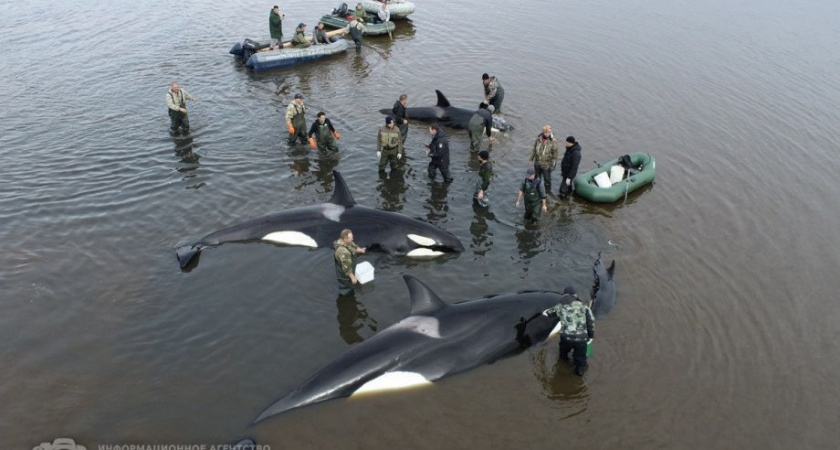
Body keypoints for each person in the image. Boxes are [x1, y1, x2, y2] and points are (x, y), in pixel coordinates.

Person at [542, 286, 595, 376]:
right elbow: (591, 323)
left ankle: (562, 365)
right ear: (575, 295)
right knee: (580, 359)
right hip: (581, 339)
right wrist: (590, 337)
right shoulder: (584, 307)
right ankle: (579, 372)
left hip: (566, 337)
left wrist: (544, 312)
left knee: (563, 354)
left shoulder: (560, 306)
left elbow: (548, 313)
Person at [334, 228, 367, 295]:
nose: (353, 239)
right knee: (346, 290)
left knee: (351, 284)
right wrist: (353, 278)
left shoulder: (347, 242)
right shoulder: (343, 252)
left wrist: (361, 250)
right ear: (345, 239)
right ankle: (345, 300)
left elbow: (353, 247)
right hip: (344, 274)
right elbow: (346, 267)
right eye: (351, 237)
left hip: (348, 265)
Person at [529, 125, 559, 193]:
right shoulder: (538, 139)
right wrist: (531, 159)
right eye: (545, 132)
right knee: (537, 177)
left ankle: (547, 192)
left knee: (547, 180)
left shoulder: (553, 141)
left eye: (548, 132)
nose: (547, 134)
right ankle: (538, 189)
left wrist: (552, 164)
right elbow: (534, 149)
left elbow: (555, 154)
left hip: (546, 164)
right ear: (543, 132)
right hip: (537, 162)